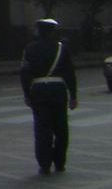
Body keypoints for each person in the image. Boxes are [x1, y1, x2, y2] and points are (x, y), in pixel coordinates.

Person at [19, 17, 78, 175]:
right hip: (58, 90)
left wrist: (26, 94)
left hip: (38, 91)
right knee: (61, 128)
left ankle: (44, 164)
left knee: (42, 129)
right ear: (52, 32)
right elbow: (70, 73)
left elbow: (25, 73)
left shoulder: (29, 49)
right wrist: (73, 95)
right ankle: (60, 162)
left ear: (38, 31)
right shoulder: (61, 49)